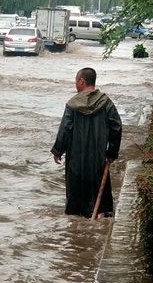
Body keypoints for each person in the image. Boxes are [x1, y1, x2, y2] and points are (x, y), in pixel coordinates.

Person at [52, 68, 123, 218]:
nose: (75, 84)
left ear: (81, 81)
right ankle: (99, 219)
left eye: (76, 81)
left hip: (75, 160)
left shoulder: (72, 104)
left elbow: (65, 129)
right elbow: (116, 127)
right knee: (99, 198)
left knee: (75, 205)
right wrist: (112, 153)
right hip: (98, 158)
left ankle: (76, 227)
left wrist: (58, 150)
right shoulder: (106, 102)